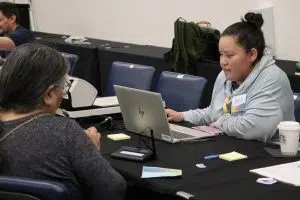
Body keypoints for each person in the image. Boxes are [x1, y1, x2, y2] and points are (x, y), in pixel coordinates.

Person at [0, 43, 126, 200]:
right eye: (63, 87)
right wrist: (92, 152)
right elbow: (113, 190)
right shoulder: (65, 133)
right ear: (49, 94)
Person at [166, 12, 294, 142]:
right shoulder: (225, 76)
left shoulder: (272, 79)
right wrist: (182, 116)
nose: (222, 61)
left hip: (273, 154)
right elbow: (213, 113)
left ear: (252, 55)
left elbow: (255, 127)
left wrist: (221, 123)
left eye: (229, 55)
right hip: (234, 144)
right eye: (221, 54)